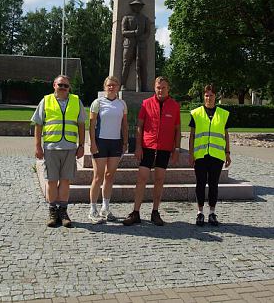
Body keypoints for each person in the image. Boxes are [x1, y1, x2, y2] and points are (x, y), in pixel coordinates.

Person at [123, 76, 181, 226]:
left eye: (163, 88)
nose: (160, 90)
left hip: (164, 147)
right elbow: (139, 126)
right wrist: (138, 146)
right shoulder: (146, 103)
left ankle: (155, 212)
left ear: (168, 89)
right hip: (148, 146)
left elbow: (177, 129)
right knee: (141, 178)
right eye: (158, 87)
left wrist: (176, 149)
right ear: (154, 88)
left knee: (160, 179)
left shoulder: (175, 106)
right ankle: (135, 212)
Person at [32, 74, 86, 228]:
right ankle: (52, 211)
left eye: (66, 85)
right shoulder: (46, 101)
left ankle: (63, 211)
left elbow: (81, 124)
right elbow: (38, 124)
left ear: (69, 88)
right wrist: (37, 145)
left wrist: (81, 145)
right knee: (51, 180)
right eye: (60, 85)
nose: (63, 88)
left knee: (65, 181)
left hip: (70, 147)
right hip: (51, 147)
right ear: (54, 85)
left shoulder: (76, 101)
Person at [189, 84, 231, 226]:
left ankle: (212, 213)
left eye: (211, 95)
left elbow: (226, 134)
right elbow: (192, 136)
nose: (208, 98)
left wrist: (228, 153)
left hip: (216, 155)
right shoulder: (196, 113)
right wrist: (190, 154)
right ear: (203, 96)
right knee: (200, 184)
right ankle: (200, 213)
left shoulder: (223, 114)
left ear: (215, 97)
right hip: (200, 155)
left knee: (214, 184)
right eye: (206, 95)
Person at [89, 76, 129, 223]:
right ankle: (93, 209)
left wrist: (125, 142)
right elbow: (92, 125)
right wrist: (92, 143)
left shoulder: (122, 104)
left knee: (110, 175)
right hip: (100, 142)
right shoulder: (97, 102)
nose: (111, 87)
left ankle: (105, 207)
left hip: (115, 143)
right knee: (98, 176)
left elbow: (124, 125)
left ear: (118, 87)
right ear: (105, 87)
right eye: (109, 85)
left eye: (114, 85)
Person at [121, 0, 150, 92]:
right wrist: (134, 32)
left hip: (141, 45)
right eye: (135, 6)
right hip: (128, 45)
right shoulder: (126, 18)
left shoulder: (145, 19)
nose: (137, 7)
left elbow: (147, 33)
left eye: (139, 6)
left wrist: (141, 37)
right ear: (132, 7)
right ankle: (123, 85)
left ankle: (144, 86)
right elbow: (123, 32)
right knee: (126, 65)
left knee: (143, 66)